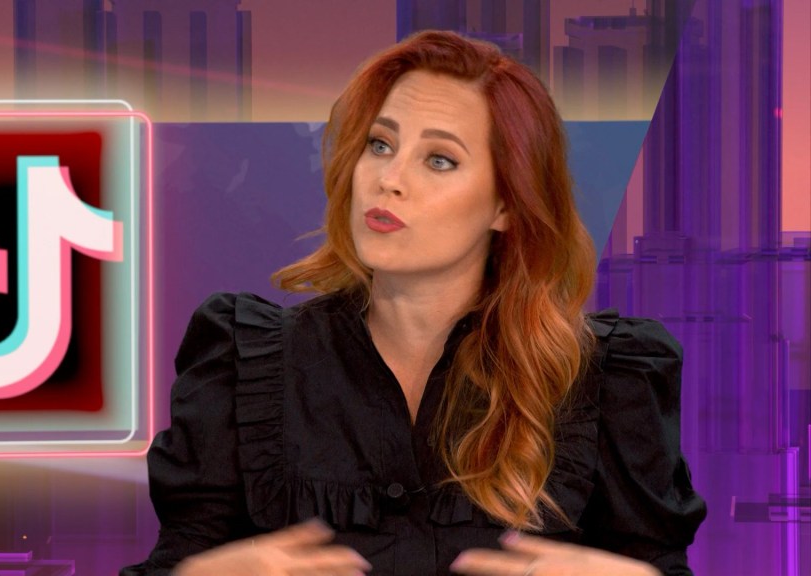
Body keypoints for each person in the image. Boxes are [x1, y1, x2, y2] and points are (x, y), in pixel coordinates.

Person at [121, 31, 706, 576]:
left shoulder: (610, 377)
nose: (389, 178)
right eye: (380, 145)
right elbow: (178, 557)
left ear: (507, 204)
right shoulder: (242, 362)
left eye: (439, 159)